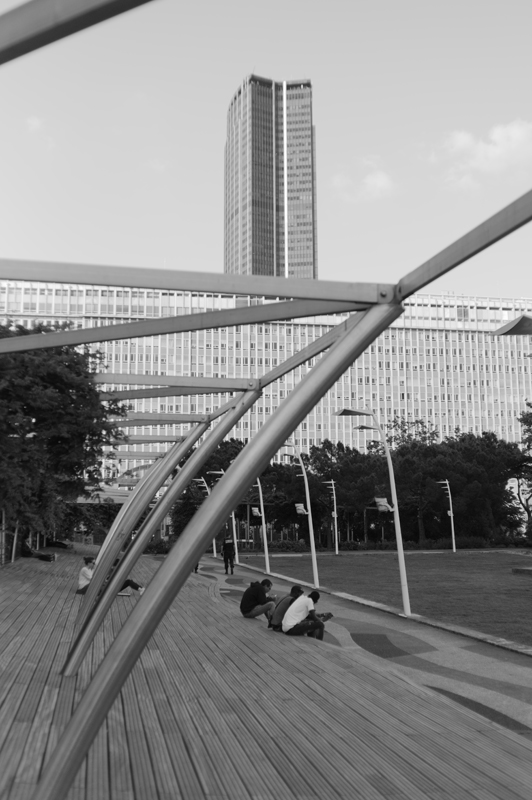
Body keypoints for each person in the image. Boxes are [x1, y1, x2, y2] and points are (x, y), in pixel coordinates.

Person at [76, 557, 145, 596]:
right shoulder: (84, 569)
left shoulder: (90, 570)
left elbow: (98, 578)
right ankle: (141, 589)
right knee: (105, 588)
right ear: (89, 563)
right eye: (93, 563)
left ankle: (141, 589)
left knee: (128, 581)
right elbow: (94, 579)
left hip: (94, 586)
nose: (94, 564)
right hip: (85, 587)